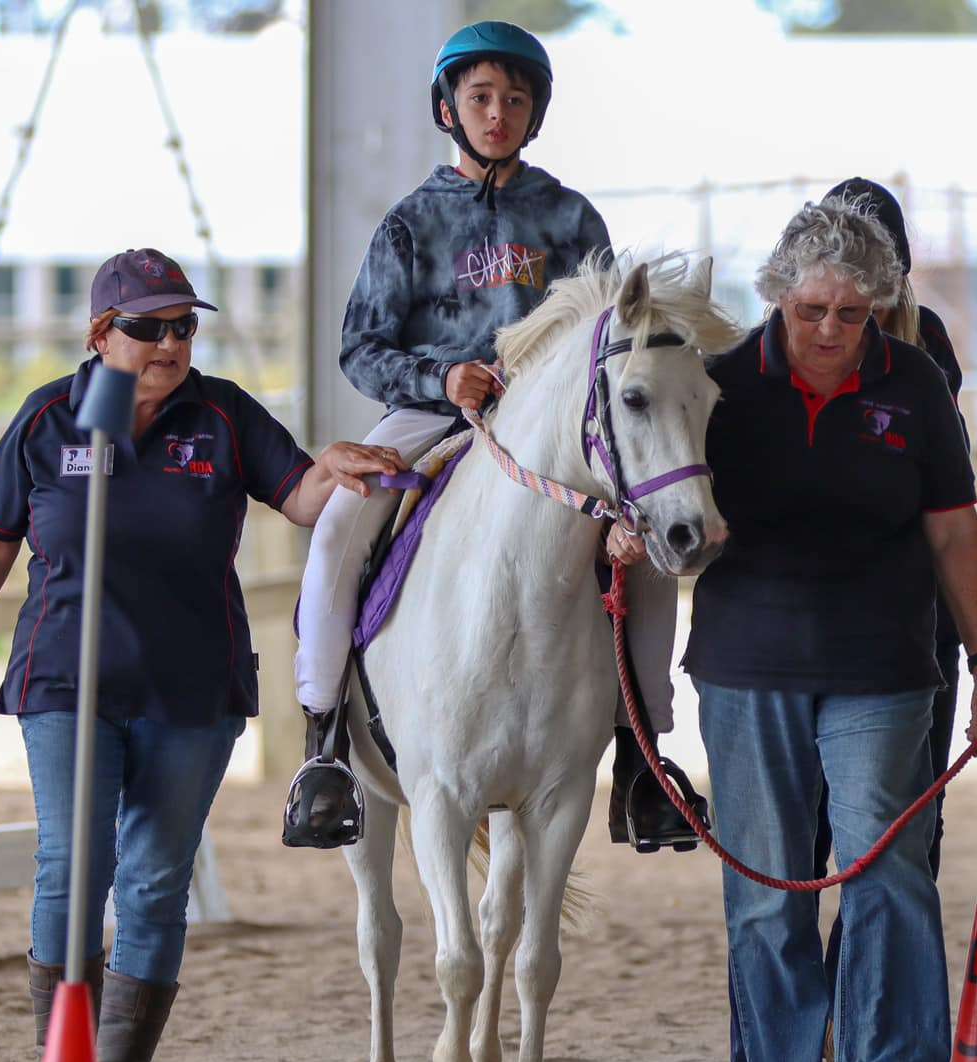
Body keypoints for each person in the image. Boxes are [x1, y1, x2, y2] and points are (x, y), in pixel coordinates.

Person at [0, 249, 403, 1062]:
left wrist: (332, 466)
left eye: (184, 325)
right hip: (66, 678)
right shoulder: (48, 420)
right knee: (74, 869)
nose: (172, 342)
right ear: (101, 335)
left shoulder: (222, 415)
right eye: (149, 327)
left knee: (154, 881)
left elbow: (297, 498)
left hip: (192, 684)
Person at [282, 19, 702, 854]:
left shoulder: (571, 217)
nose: (498, 112)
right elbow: (360, 349)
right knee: (337, 529)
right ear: (450, 108)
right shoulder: (409, 224)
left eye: (515, 98)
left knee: (647, 554)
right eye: (480, 97)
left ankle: (645, 759)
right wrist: (441, 379)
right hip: (436, 418)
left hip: (554, 430)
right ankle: (324, 743)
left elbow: (606, 340)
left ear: (534, 113)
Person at [690, 195, 977, 1062]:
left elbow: (954, 526)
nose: (829, 332)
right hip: (749, 668)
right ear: (777, 299)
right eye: (810, 312)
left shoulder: (912, 383)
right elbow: (654, 497)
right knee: (768, 883)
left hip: (883, 664)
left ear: (880, 308)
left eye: (851, 314)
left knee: (884, 863)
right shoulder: (715, 387)